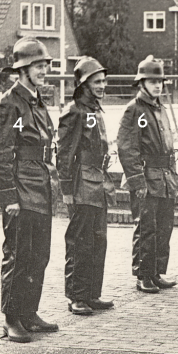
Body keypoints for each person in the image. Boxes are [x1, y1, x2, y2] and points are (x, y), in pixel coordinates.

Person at [0, 37, 59, 343]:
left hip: (40, 187)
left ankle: (29, 313)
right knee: (18, 255)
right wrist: (8, 197)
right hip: (21, 188)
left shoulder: (36, 100)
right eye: (37, 66)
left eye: (44, 66)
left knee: (38, 255)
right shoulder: (9, 103)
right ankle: (11, 318)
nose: (43, 71)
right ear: (22, 70)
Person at [57, 57, 117, 315]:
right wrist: (67, 189)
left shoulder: (95, 110)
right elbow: (64, 152)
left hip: (98, 181)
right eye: (97, 82)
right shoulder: (75, 111)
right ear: (84, 84)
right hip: (82, 182)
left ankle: (92, 293)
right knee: (80, 241)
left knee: (98, 240)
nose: (102, 86)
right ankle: (77, 296)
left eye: (103, 81)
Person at [117, 55, 178, 294]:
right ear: (141, 83)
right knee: (146, 228)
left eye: (160, 81)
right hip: (146, 176)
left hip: (164, 177)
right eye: (152, 81)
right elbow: (127, 148)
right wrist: (136, 181)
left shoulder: (160, 108)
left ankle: (156, 272)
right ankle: (143, 275)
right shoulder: (134, 110)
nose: (157, 85)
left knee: (164, 227)